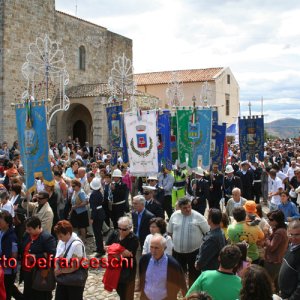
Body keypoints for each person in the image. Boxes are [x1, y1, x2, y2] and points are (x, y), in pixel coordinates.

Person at [168, 197, 210, 287]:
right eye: (184, 208)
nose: (188, 209)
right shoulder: (174, 216)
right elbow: (170, 232)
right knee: (178, 274)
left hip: (194, 252)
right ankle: (182, 291)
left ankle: (193, 293)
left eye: (189, 207)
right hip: (177, 252)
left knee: (194, 275)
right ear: (179, 208)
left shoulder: (199, 217)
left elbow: (207, 233)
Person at [139, 234, 187, 300]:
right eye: (151, 247)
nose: (153, 251)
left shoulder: (173, 264)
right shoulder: (144, 260)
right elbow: (142, 279)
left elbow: (182, 284)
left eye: (156, 248)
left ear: (164, 248)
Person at [20, 216, 56, 300]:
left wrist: (36, 256)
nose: (27, 231)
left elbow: (51, 255)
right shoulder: (27, 235)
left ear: (38, 227)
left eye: (30, 229)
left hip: (39, 273)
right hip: (27, 271)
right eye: (27, 229)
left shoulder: (47, 238)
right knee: (28, 294)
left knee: (40, 296)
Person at [105, 216, 139, 300]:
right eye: (119, 228)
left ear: (130, 228)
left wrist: (113, 249)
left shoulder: (133, 238)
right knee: (118, 289)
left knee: (127, 294)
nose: (121, 231)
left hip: (127, 269)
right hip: (115, 267)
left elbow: (128, 254)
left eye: (124, 229)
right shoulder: (114, 233)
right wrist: (119, 251)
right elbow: (106, 247)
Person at [54, 220, 87, 300]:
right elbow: (58, 255)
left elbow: (74, 267)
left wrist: (60, 271)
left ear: (68, 233)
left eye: (61, 236)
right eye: (58, 236)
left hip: (74, 281)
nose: (59, 238)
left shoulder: (77, 245)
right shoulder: (63, 241)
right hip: (63, 279)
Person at [264, 210, 289, 291]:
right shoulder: (281, 229)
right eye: (268, 219)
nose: (269, 221)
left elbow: (271, 247)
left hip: (273, 262)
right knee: (276, 284)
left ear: (277, 221)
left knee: (268, 284)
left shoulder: (279, 232)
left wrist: (267, 235)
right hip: (277, 261)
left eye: (271, 220)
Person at [278, 220, 300, 299]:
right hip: (284, 293)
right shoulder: (291, 246)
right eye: (291, 234)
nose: (293, 238)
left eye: (297, 235)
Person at [0, 210, 18, 300]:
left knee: (6, 293)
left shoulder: (11, 236)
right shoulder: (1, 232)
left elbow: (13, 255)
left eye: (1, 220)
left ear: (7, 223)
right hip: (1, 268)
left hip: (7, 270)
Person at [89, 177, 105, 257]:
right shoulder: (99, 193)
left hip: (97, 215)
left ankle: (100, 249)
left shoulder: (93, 194)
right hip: (100, 213)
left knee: (97, 233)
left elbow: (94, 207)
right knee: (98, 232)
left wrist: (92, 218)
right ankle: (99, 247)